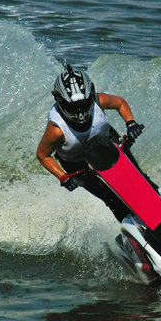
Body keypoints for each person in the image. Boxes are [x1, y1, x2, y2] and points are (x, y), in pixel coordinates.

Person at [36, 64, 144, 222]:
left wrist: (131, 123)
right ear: (59, 101)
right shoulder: (56, 130)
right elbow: (42, 155)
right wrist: (63, 177)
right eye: (73, 107)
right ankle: (134, 230)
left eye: (83, 105)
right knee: (110, 198)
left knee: (139, 180)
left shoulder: (98, 100)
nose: (80, 113)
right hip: (74, 161)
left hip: (104, 142)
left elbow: (120, 103)